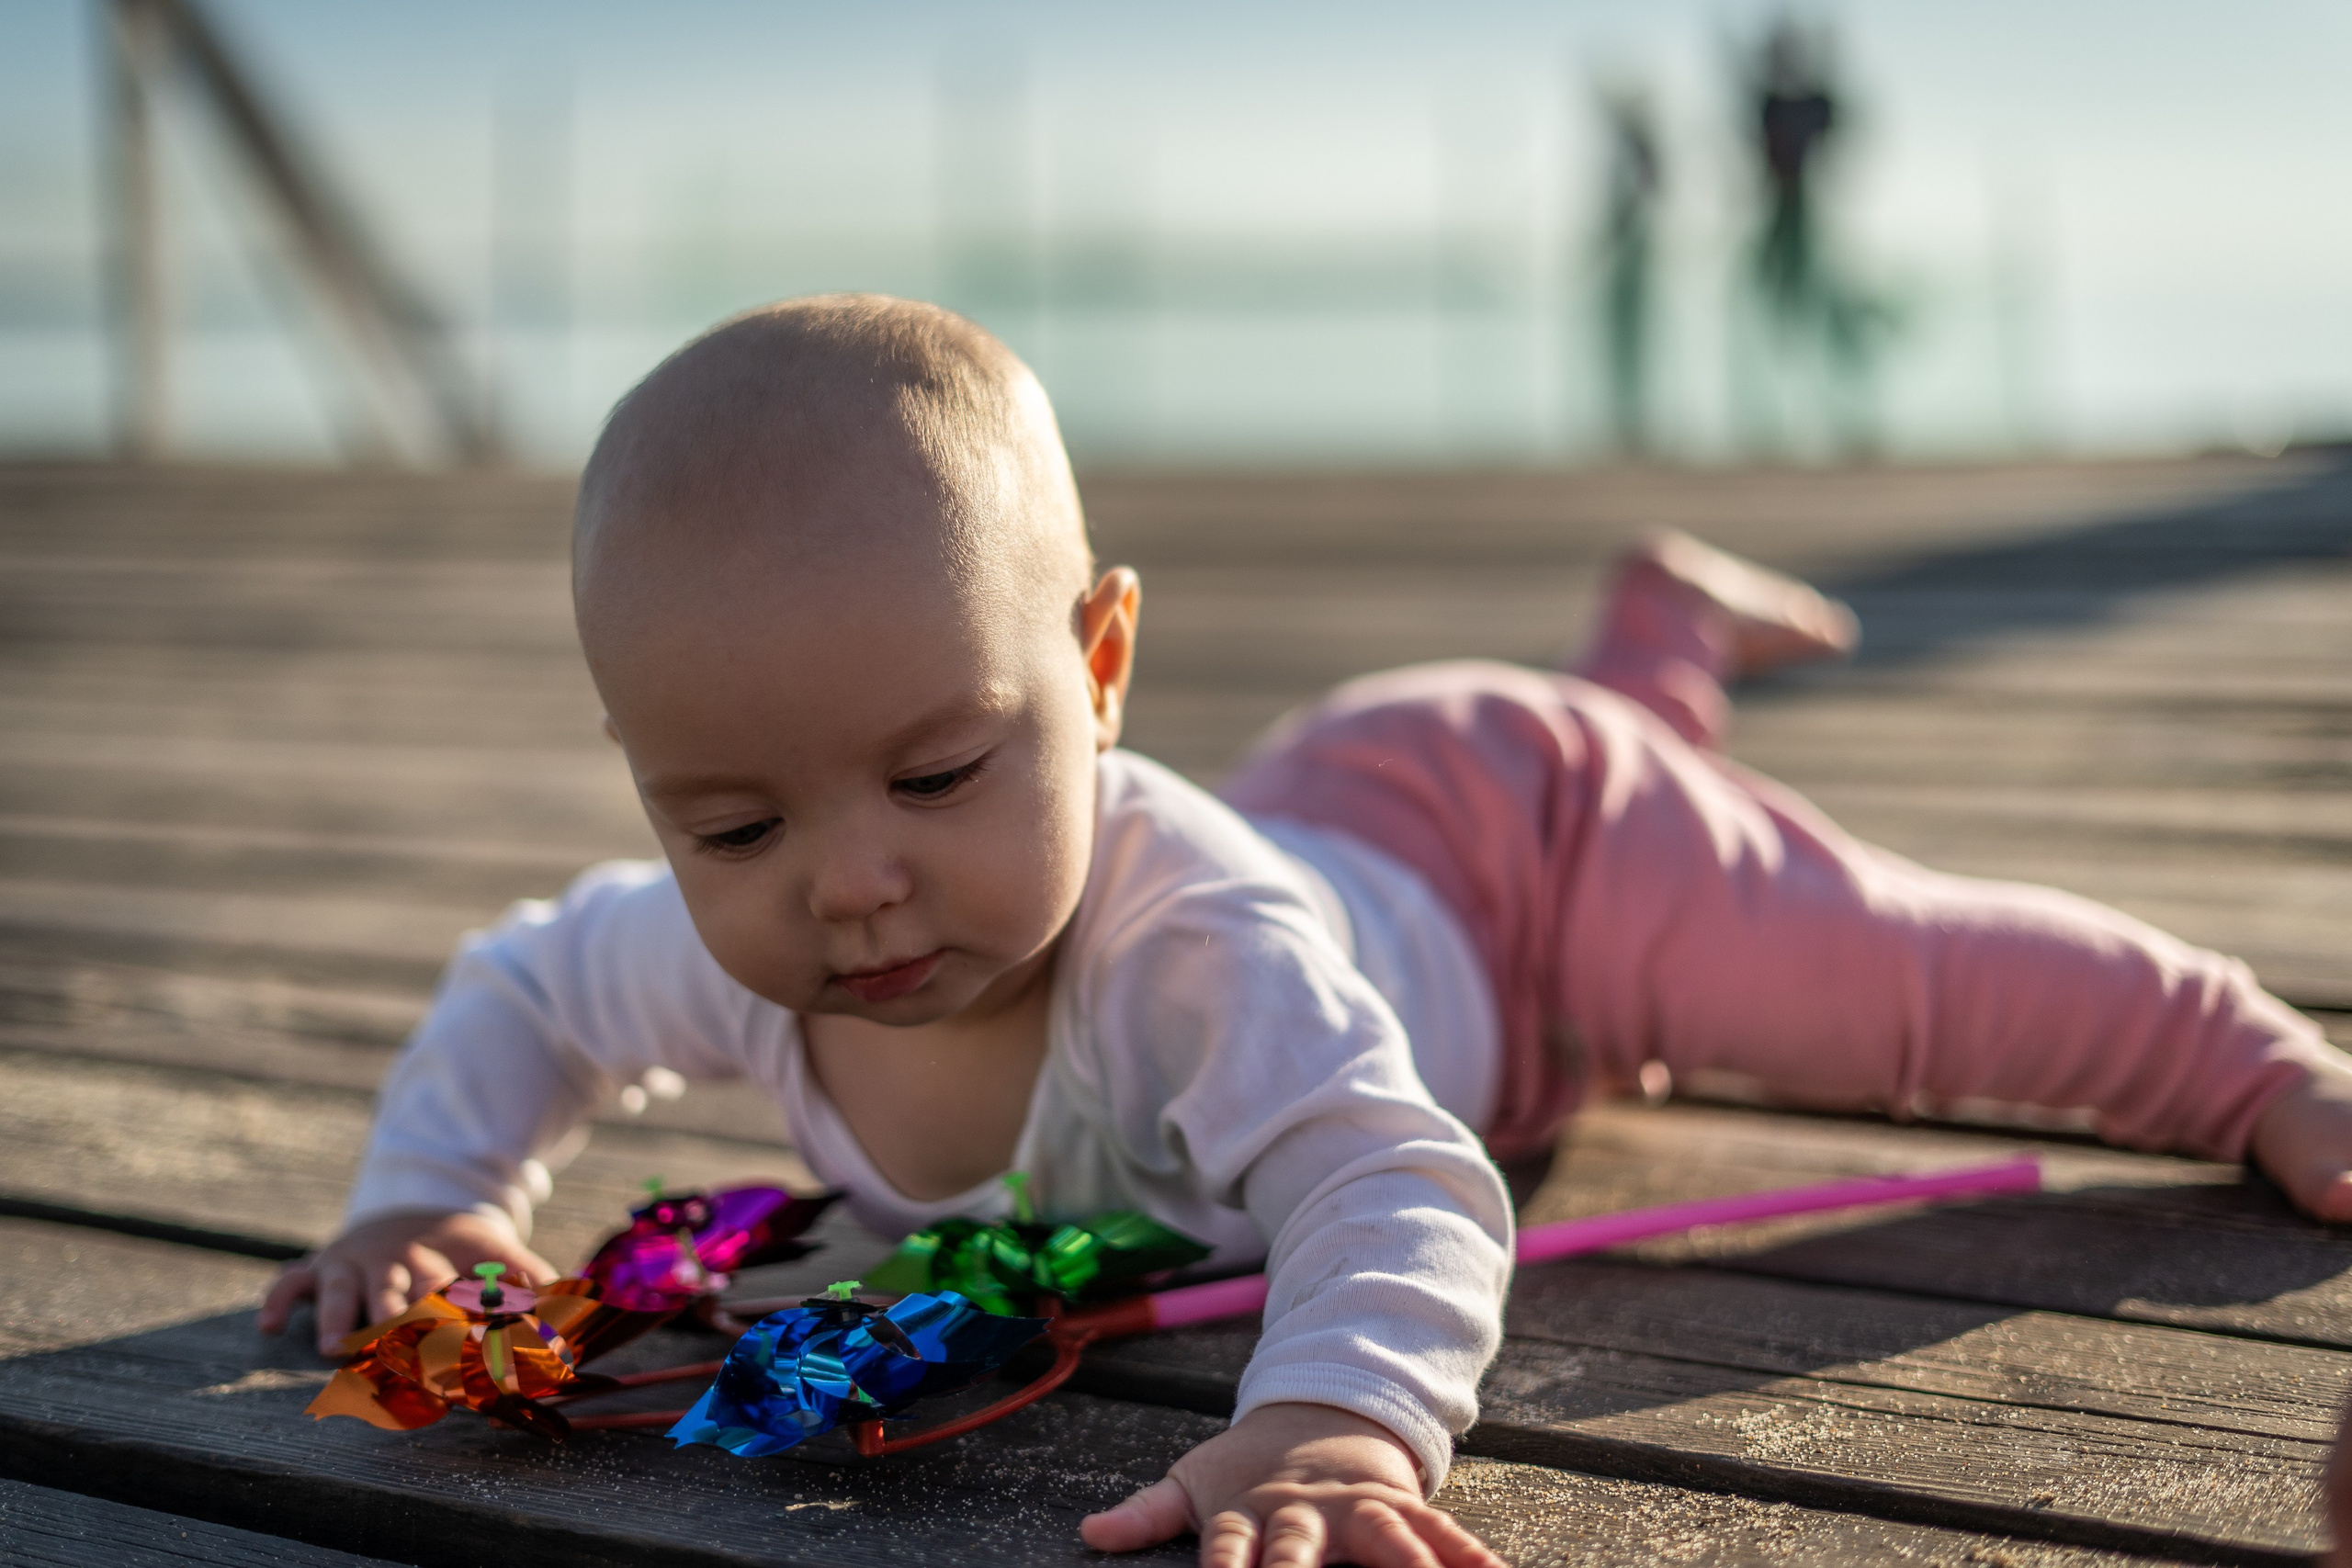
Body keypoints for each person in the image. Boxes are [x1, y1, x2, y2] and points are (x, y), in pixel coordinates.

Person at [260, 296, 2352, 1568]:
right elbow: (524, 979)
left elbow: (1387, 1167)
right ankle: (1650, 639)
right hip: (1360, 813)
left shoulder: (1194, 955)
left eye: (935, 772)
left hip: (1532, 867)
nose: (849, 882)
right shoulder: (733, 938)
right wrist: (440, 1187)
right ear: (646, 777)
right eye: (728, 818)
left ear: (1097, 667)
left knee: (1893, 980)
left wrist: (1336, 1413)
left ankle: (2246, 1050)